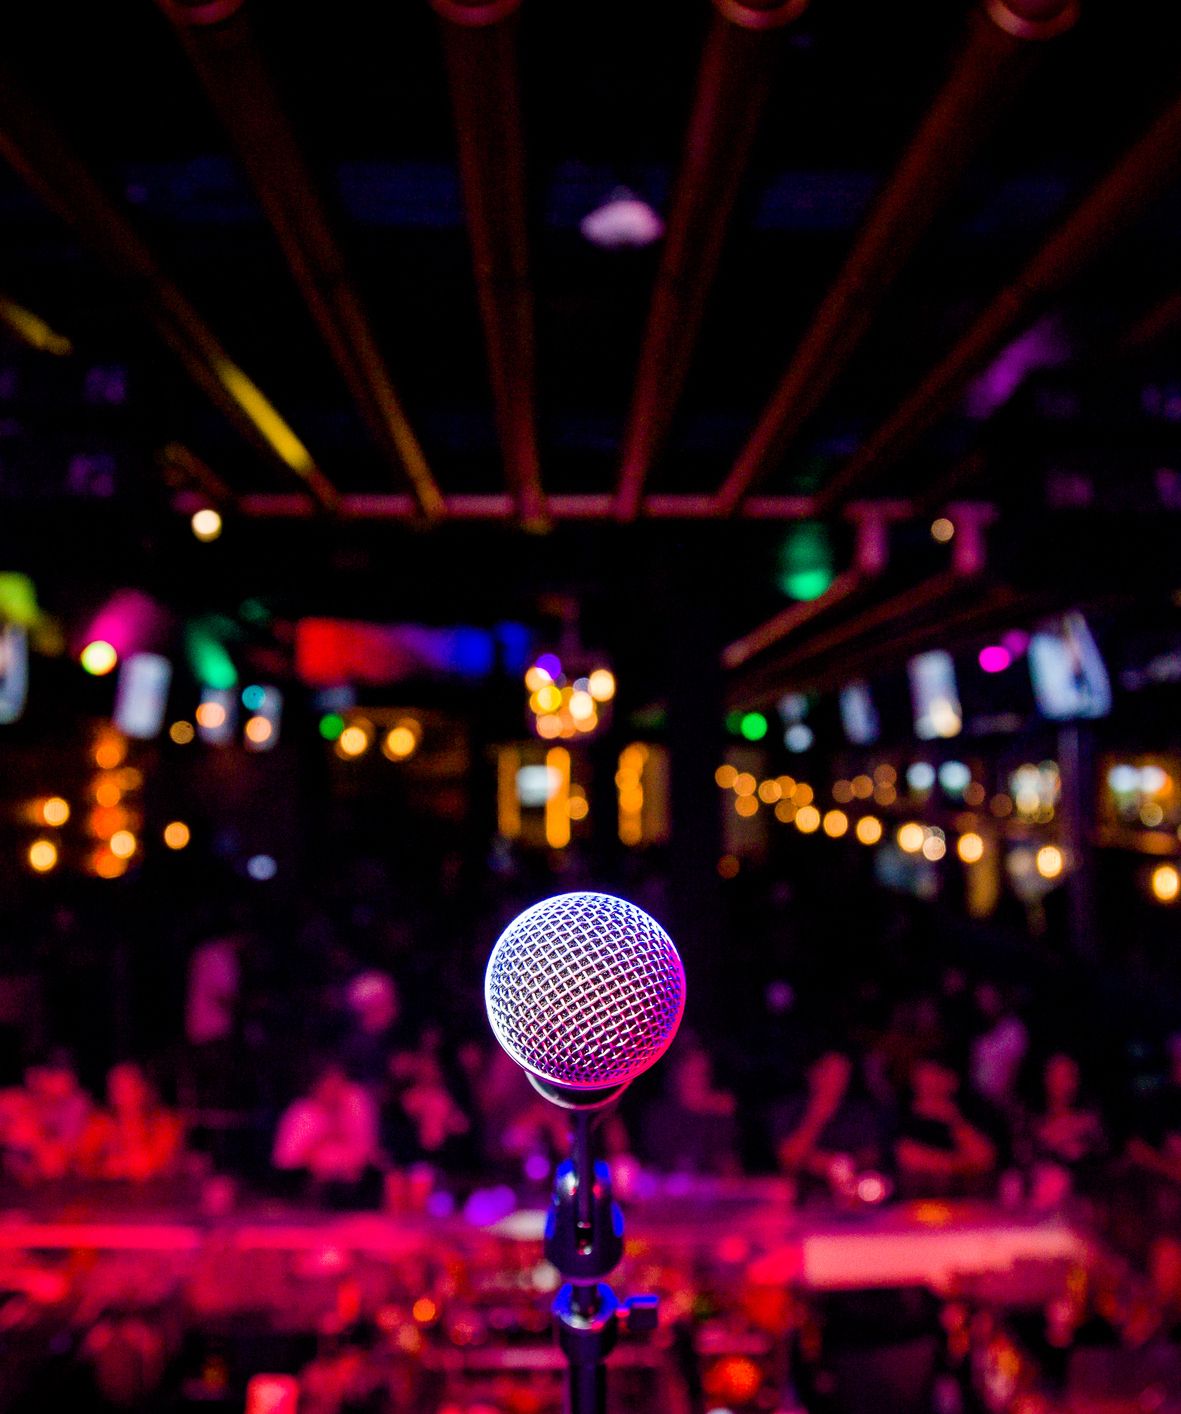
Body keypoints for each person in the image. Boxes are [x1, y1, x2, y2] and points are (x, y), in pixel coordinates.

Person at [771, 1050, 888, 1189]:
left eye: (842, 1073)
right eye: (830, 1072)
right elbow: (788, 1161)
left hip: (850, 1190)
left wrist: (839, 1163)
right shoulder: (788, 1110)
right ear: (813, 1074)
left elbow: (871, 1156)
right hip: (798, 1191)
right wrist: (816, 1118)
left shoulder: (859, 1112)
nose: (836, 1080)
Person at [272, 1062, 381, 1206]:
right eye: (329, 1085)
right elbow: (286, 1160)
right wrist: (320, 1141)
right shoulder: (302, 1113)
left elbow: (366, 1149)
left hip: (352, 1179)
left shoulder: (353, 1108)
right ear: (317, 1086)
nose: (335, 1092)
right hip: (310, 1180)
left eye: (340, 1085)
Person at [895, 1056, 996, 1198]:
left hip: (968, 1203)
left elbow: (985, 1159)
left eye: (937, 1076)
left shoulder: (975, 1112)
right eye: (925, 1077)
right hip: (910, 1203)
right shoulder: (899, 1113)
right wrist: (964, 1164)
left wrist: (953, 1120)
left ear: (953, 1080)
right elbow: (908, 1158)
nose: (931, 1084)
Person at [79, 1062, 184, 1182]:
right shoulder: (101, 1123)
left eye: (129, 1086)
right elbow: (82, 1160)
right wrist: (102, 1167)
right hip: (113, 1192)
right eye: (116, 1087)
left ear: (143, 1088)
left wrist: (123, 1165)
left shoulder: (165, 1123)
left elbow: (157, 1163)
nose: (121, 1093)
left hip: (160, 1191)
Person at [0, 1051, 92, 1182]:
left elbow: (54, 1165)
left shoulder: (75, 1105)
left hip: (54, 1184)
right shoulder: (10, 1102)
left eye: (66, 1076)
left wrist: (35, 1139)